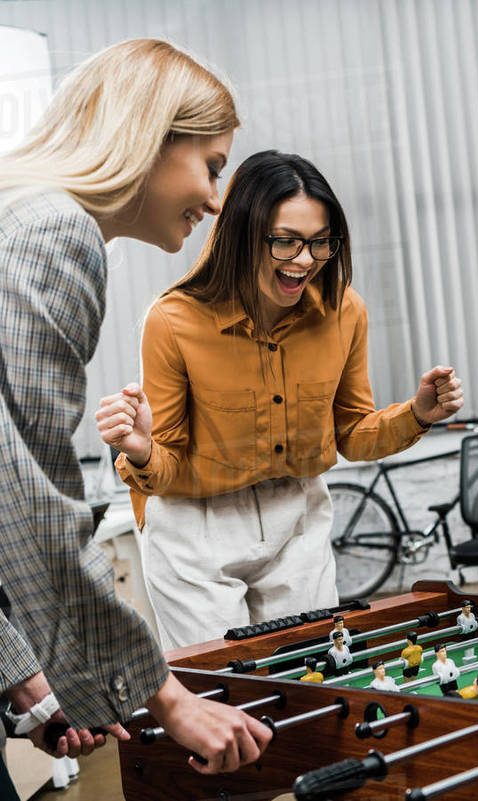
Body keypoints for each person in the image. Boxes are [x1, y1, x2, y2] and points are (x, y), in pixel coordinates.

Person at [0, 38, 271, 782]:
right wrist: (165, 695)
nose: (217, 199)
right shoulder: (54, 233)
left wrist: (23, 678)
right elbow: (29, 499)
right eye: (212, 165)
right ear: (148, 138)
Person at [97, 150, 465, 650]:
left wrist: (418, 414)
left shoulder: (344, 312)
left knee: (312, 670)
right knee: (223, 687)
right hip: (193, 520)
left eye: (320, 243)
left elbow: (351, 436)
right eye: (286, 242)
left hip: (296, 508)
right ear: (243, 234)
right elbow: (167, 465)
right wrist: (139, 450)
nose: (305, 261)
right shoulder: (173, 320)